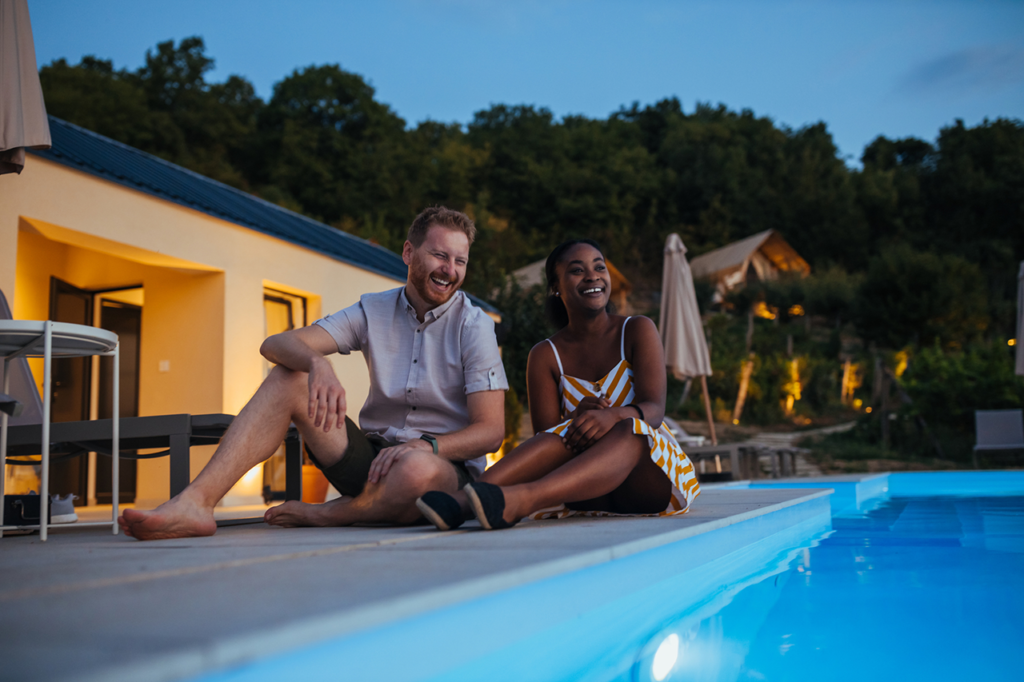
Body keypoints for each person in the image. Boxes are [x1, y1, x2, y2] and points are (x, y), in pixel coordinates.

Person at [119, 207, 508, 540]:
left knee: (415, 469)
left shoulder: (474, 327)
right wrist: (317, 363)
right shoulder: (372, 310)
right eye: (440, 255)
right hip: (369, 462)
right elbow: (275, 344)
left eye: (460, 261)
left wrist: (428, 446)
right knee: (288, 378)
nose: (450, 270)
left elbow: (491, 432)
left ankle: (336, 513)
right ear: (409, 252)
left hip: (438, 469)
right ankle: (196, 503)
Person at [416, 238, 699, 531]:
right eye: (577, 270)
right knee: (563, 433)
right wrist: (576, 419)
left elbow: (654, 409)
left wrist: (611, 415)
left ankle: (522, 500)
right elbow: (547, 436)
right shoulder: (545, 355)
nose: (592, 276)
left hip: (647, 485)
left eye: (599, 267)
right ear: (555, 287)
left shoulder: (637, 329)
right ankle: (462, 503)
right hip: (585, 491)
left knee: (631, 429)